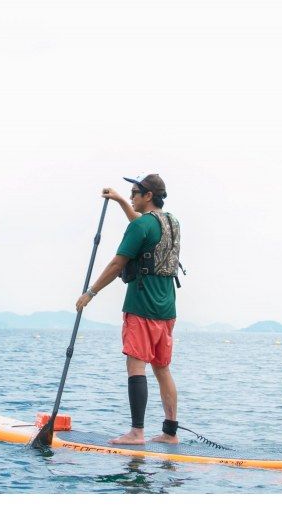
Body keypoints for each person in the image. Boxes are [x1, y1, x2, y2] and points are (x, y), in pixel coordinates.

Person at [75, 173, 182, 445]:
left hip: (141, 304)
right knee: (162, 368)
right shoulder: (171, 222)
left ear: (148, 196)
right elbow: (144, 229)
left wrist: (90, 292)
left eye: (135, 193)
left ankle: (137, 432)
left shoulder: (142, 226)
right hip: (167, 308)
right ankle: (170, 432)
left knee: (136, 365)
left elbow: (117, 264)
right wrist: (122, 201)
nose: (132, 196)